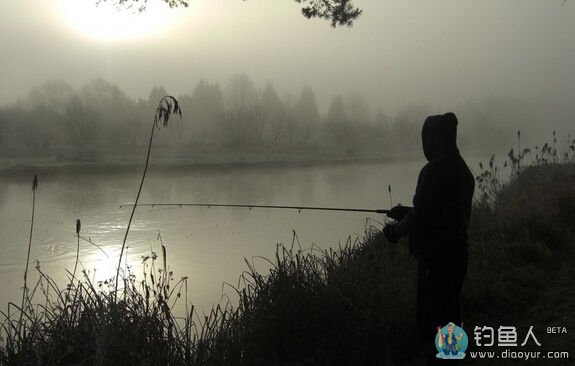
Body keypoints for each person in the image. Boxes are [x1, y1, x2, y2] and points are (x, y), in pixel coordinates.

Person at [383, 112, 474, 364]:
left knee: (429, 321)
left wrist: (395, 231)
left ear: (433, 139)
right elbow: (438, 212)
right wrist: (407, 212)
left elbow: (422, 218)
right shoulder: (463, 170)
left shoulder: (433, 171)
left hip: (436, 260)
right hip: (458, 256)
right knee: (450, 315)